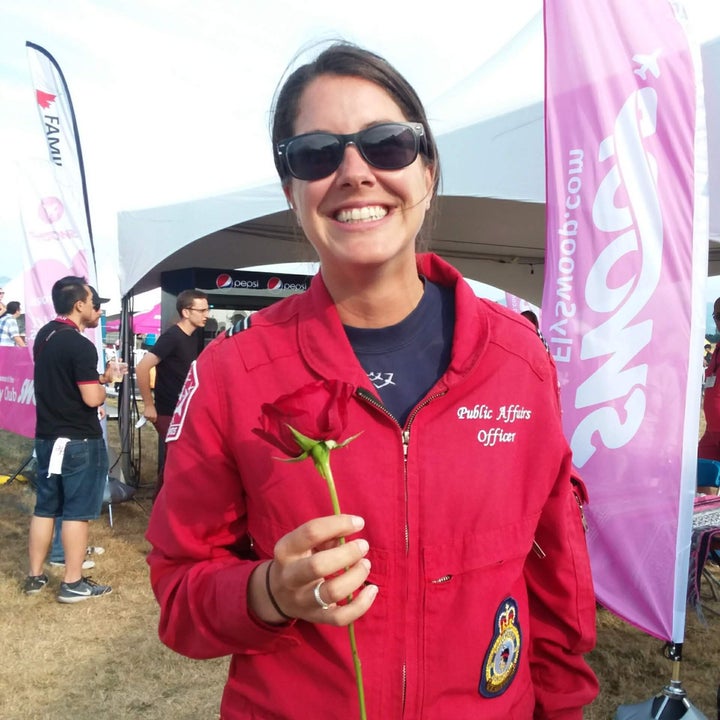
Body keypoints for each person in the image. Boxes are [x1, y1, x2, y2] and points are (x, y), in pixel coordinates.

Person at [146, 43, 598, 719]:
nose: (355, 172)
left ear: (428, 168)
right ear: (290, 190)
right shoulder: (232, 374)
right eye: (317, 153)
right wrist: (269, 592)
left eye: (387, 143)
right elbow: (180, 592)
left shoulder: (517, 360)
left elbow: (554, 570)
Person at [23, 277, 113, 603]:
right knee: (77, 512)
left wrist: (97, 379)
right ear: (79, 305)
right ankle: (73, 583)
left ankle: (35, 576)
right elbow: (92, 398)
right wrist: (107, 385)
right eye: (93, 303)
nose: (96, 310)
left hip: (47, 437)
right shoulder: (79, 344)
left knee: (46, 507)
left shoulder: (45, 336)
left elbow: (64, 382)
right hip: (78, 441)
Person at [135, 289, 209, 497]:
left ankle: (165, 506)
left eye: (207, 309)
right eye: (202, 310)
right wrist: (149, 406)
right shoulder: (172, 337)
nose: (207, 314)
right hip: (168, 411)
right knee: (179, 459)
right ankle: (163, 507)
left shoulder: (192, 337)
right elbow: (142, 368)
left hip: (183, 410)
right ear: (186, 312)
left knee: (178, 460)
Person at [700, 299, 720, 460]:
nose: (718, 321)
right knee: (698, 477)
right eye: (717, 316)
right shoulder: (717, 348)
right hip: (711, 429)